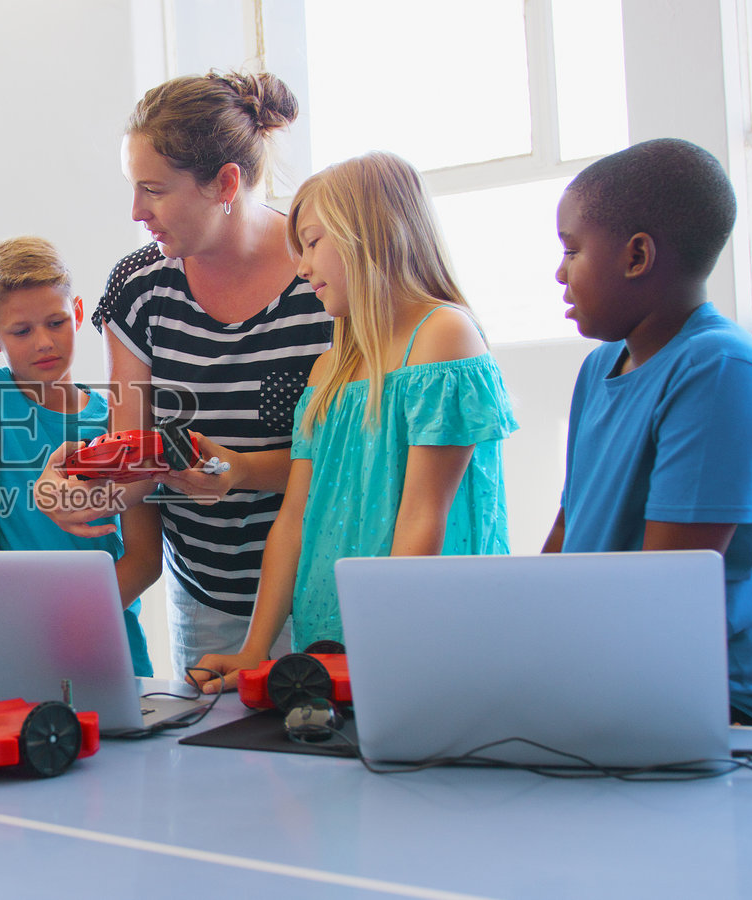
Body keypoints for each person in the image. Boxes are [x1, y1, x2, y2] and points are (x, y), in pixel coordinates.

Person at [37, 71, 332, 676]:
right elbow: (137, 458)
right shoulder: (139, 287)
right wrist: (77, 489)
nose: (137, 211)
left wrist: (240, 471)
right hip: (203, 594)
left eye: (154, 190)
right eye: (133, 188)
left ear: (225, 183)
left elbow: (350, 460)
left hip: (320, 590)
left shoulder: (323, 280)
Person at [545, 138, 752, 730]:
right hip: (638, 677)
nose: (560, 273)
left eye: (572, 250)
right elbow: (567, 532)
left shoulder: (718, 367)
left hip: (744, 705)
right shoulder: (599, 367)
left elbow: (668, 588)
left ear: (637, 256)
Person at [194, 152, 517, 690]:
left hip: (415, 641)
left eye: (312, 243)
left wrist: (380, 647)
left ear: (370, 235)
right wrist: (253, 649)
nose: (302, 268)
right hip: (329, 638)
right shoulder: (329, 369)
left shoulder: (444, 337)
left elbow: (422, 518)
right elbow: (293, 521)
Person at [0, 237, 161, 676]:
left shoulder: (118, 418)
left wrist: (70, 628)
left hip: (106, 641)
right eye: (22, 331)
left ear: (77, 313)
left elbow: (145, 560)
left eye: (56, 322)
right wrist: (23, 632)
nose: (44, 342)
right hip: (13, 641)